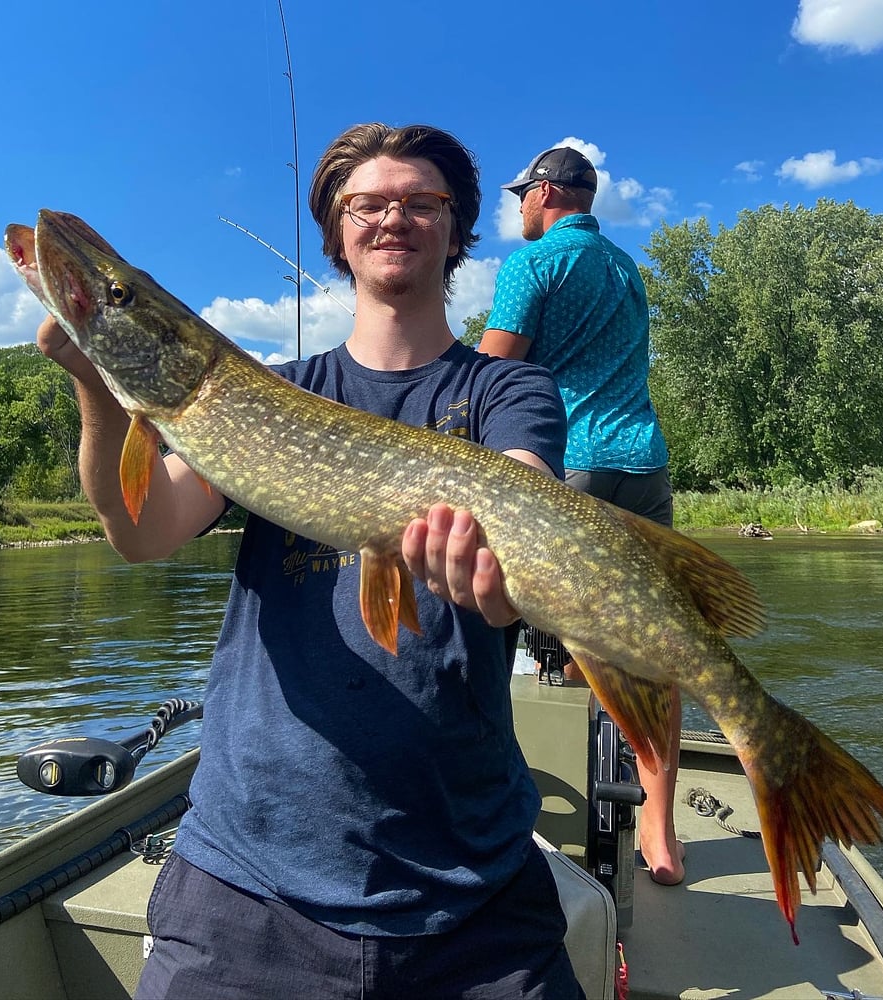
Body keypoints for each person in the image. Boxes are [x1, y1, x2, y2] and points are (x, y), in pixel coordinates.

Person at [37, 123, 585, 999]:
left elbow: (522, 486)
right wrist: (98, 385)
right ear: (337, 233)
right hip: (247, 883)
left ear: (456, 229)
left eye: (421, 201)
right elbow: (140, 532)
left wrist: (494, 553)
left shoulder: (504, 388)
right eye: (366, 203)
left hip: (469, 888)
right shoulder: (270, 392)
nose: (392, 217)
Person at [478, 145, 684, 887]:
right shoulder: (627, 268)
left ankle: (493, 797)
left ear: (543, 194)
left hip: (567, 464)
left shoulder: (530, 265)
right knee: (654, 643)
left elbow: (491, 368)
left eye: (519, 197)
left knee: (496, 618)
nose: (516, 209)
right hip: (644, 462)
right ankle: (659, 835)